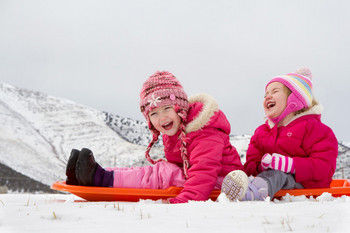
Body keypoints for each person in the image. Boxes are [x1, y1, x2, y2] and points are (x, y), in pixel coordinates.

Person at [66, 71, 243, 203]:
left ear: (180, 108)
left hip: (222, 183)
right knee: (156, 170)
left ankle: (102, 179)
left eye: (167, 109)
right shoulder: (175, 132)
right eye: (154, 114)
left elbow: (204, 171)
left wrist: (186, 200)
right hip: (199, 180)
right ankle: (96, 174)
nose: (162, 118)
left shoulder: (205, 132)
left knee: (164, 174)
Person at [221, 67, 338, 201]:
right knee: (268, 174)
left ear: (294, 99)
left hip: (305, 186)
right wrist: (261, 166)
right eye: (265, 94)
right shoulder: (261, 132)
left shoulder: (315, 129)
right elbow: (251, 165)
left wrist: (290, 165)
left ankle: (252, 194)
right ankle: (240, 189)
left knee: (278, 174)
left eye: (275, 91)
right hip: (270, 182)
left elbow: (325, 166)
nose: (268, 96)